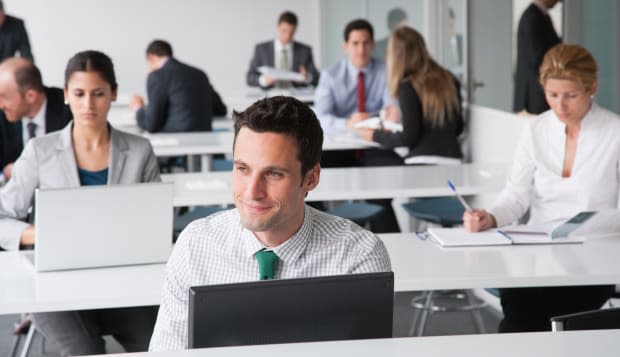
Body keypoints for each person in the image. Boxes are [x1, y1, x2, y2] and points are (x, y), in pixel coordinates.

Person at [148, 96, 392, 351]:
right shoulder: (195, 245)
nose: (252, 192)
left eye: (274, 174)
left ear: (310, 178)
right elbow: (168, 349)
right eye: (243, 168)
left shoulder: (357, 257)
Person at [0, 50, 160, 355]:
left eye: (98, 94)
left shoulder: (140, 150)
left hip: (124, 281)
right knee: (85, 349)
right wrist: (37, 233)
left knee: (158, 345)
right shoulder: (39, 151)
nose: (88, 105)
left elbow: (155, 223)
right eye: (79, 93)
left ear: (113, 94)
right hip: (56, 285)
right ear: (65, 95)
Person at [463, 44, 618, 332]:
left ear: (592, 88)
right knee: (520, 315)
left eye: (571, 96)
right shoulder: (536, 130)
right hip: (535, 253)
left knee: (528, 323)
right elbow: (516, 195)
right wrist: (491, 216)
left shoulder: (615, 133)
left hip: (591, 259)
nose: (560, 106)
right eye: (552, 95)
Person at [314, 18, 401, 233]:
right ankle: (327, 232)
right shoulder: (330, 75)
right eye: (355, 43)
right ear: (346, 46)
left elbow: (393, 109)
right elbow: (320, 117)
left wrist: (389, 116)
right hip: (339, 148)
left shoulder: (385, 71)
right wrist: (347, 122)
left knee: (383, 189)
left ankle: (389, 248)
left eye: (365, 43)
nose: (360, 49)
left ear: (372, 45)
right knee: (309, 179)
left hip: (373, 145)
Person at [357, 26, 463, 163]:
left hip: (422, 161)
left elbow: (408, 137)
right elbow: (459, 127)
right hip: (454, 160)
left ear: (396, 56)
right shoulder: (450, 79)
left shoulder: (408, 86)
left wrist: (374, 135)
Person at [130, 39, 227, 133]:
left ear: (150, 57)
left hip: (176, 140)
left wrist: (138, 108)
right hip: (207, 141)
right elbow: (221, 110)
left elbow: (151, 124)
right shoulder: (199, 74)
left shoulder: (157, 76)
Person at [0, 57, 71, 181]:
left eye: (4, 97)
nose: (0, 105)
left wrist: (23, 170)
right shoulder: (3, 114)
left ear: (30, 96)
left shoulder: (69, 108)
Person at [246, 11, 319, 89]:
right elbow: (249, 77)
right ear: (278, 27)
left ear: (295, 29)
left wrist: (307, 77)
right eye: (284, 31)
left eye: (291, 32)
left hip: (297, 97)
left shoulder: (305, 50)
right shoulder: (261, 49)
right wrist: (263, 80)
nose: (287, 36)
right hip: (270, 96)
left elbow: (317, 79)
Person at [513, 0, 561, 115]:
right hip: (534, 98)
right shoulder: (533, 17)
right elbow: (538, 57)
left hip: (538, 94)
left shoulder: (540, 16)